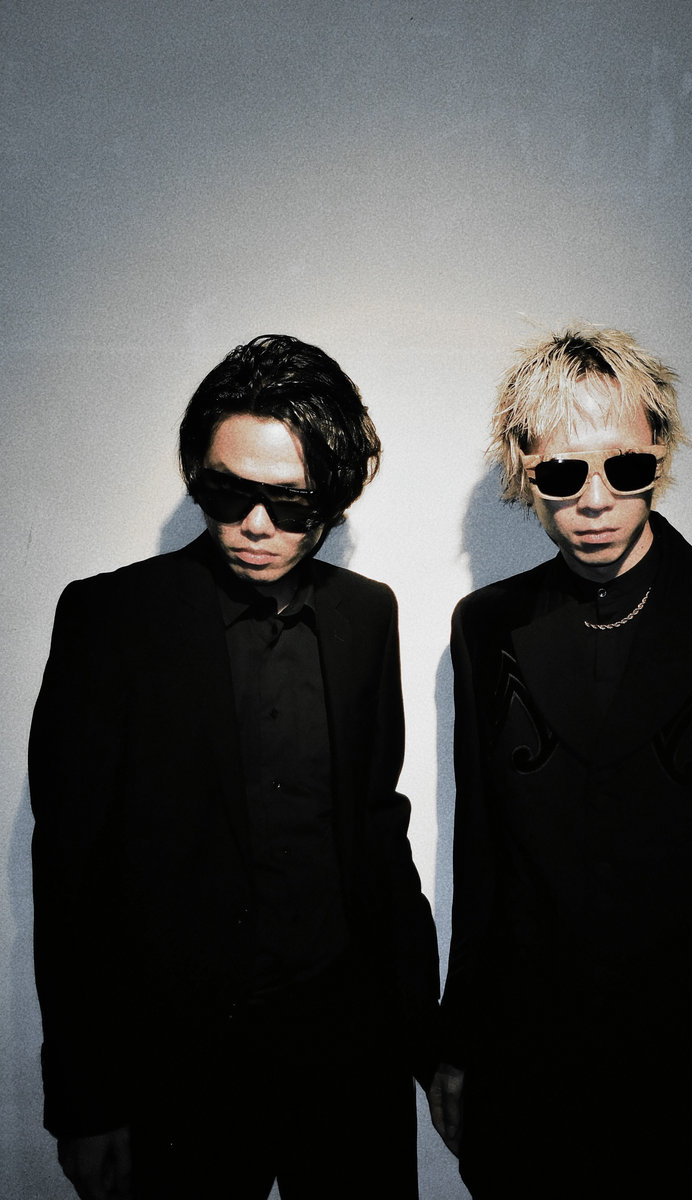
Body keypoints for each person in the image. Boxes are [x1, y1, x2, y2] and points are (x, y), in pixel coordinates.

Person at [428, 325, 692, 1200]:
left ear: (661, 452)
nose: (594, 500)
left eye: (624, 468)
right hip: (531, 1096)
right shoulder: (487, 626)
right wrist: (458, 1046)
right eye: (562, 473)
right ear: (524, 470)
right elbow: (484, 861)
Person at [30, 334, 439, 1200]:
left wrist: (429, 1043)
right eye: (226, 492)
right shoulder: (111, 618)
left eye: (288, 504)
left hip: (349, 1060)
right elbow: (70, 874)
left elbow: (378, 833)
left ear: (332, 498)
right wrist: (84, 1100)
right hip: (183, 1076)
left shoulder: (367, 616)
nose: (254, 525)